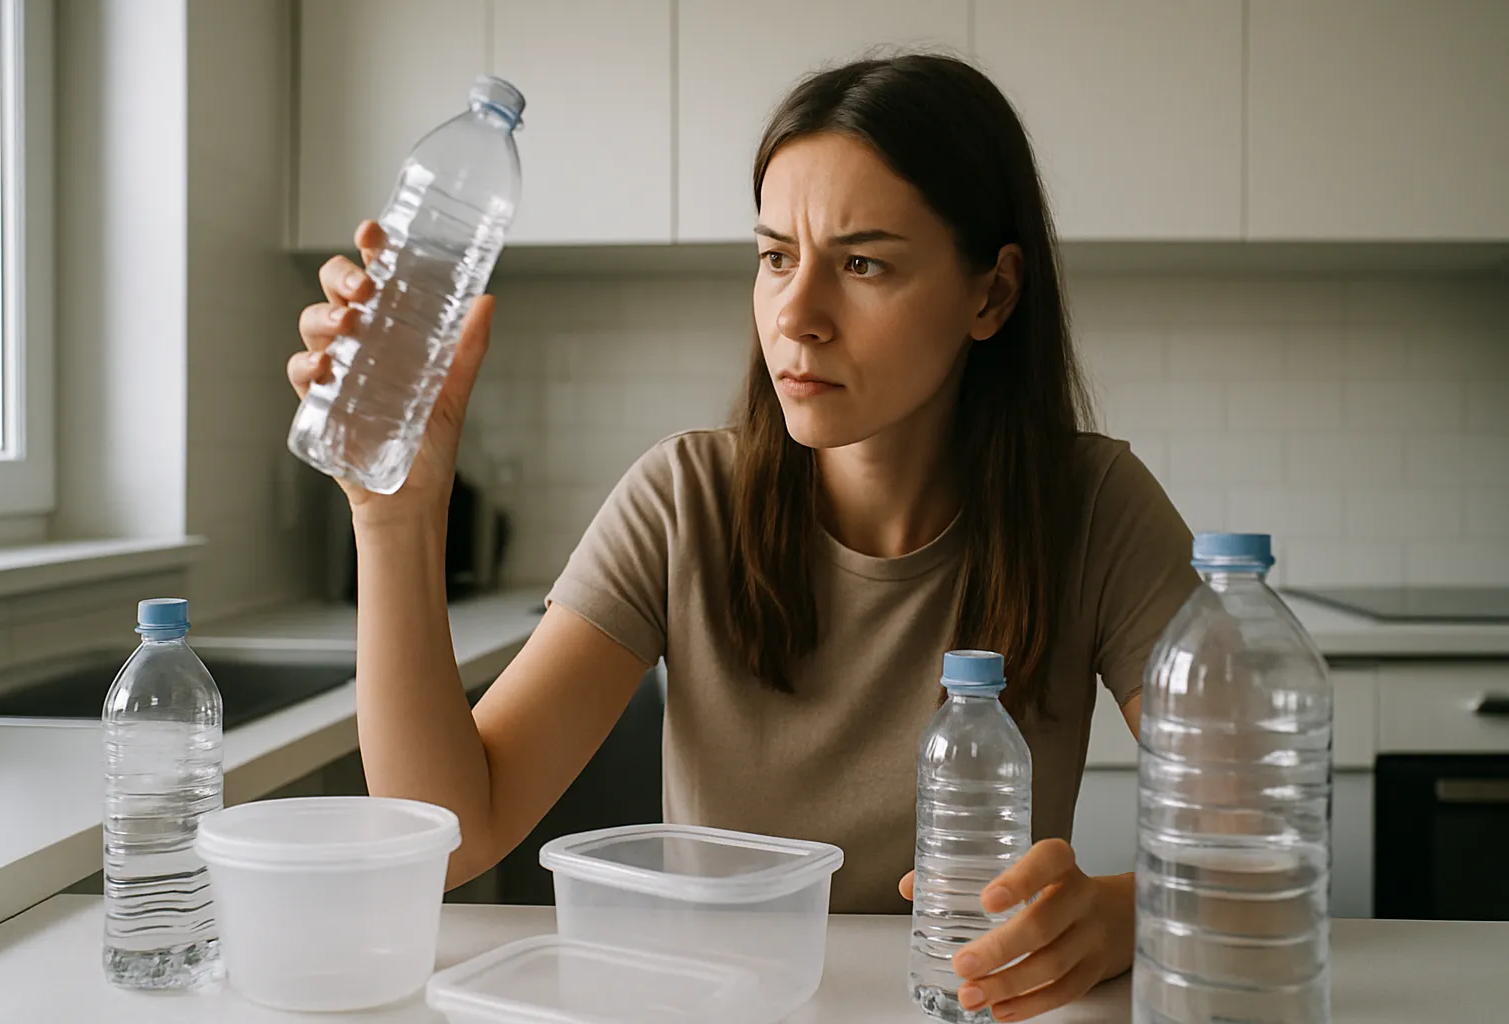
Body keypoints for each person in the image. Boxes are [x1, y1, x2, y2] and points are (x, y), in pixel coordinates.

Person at [288, 53, 1198, 1022]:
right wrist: (395, 516)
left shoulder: (1094, 507)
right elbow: (457, 834)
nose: (796, 317)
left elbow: (1252, 832)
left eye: (862, 263)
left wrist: (1121, 915)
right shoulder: (684, 501)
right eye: (774, 257)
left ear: (992, 296)